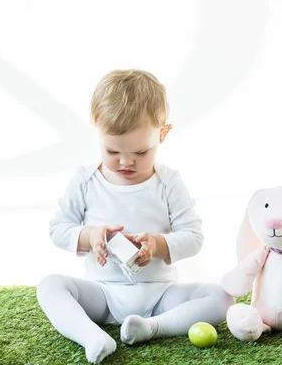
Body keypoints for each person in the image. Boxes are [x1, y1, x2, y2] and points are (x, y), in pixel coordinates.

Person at [37, 69, 234, 363]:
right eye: (112, 150)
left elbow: (193, 237)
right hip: (102, 294)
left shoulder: (168, 183)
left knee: (221, 297)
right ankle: (91, 336)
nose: (126, 162)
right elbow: (58, 228)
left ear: (163, 134)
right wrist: (90, 236)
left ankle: (150, 329)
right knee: (50, 286)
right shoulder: (86, 180)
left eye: (141, 151)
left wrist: (156, 244)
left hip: (161, 297)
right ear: (97, 130)